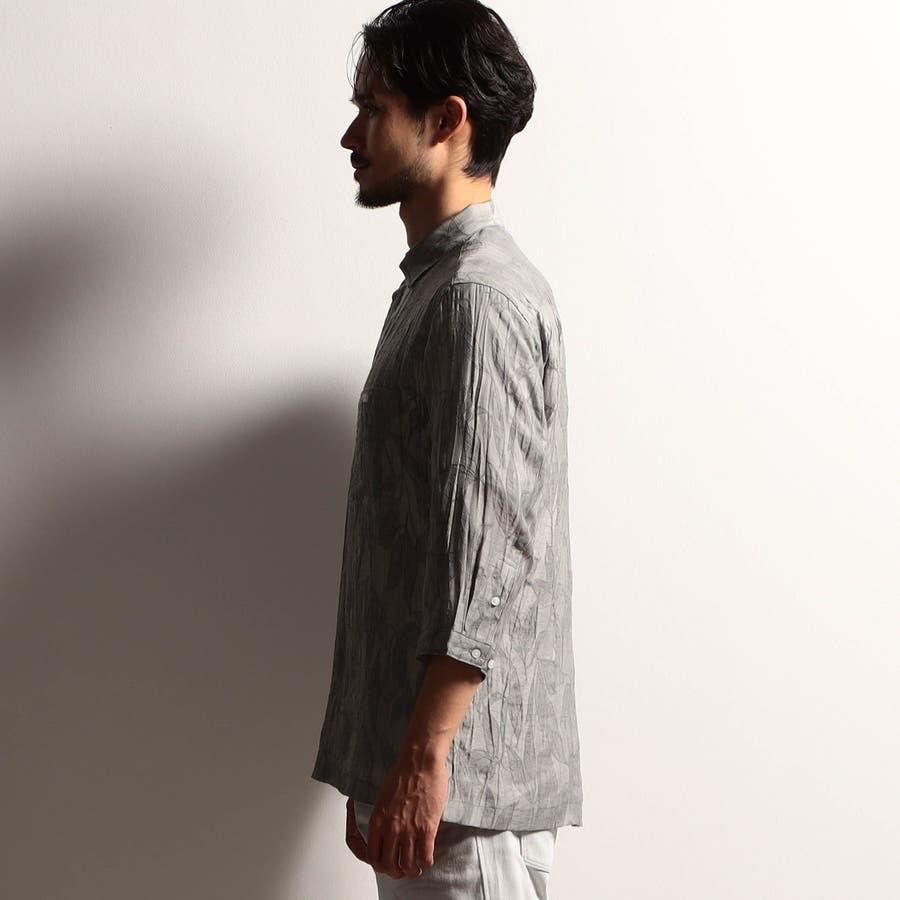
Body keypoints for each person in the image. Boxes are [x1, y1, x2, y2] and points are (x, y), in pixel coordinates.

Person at [311, 1, 582, 896]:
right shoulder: (438, 288)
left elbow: (488, 554)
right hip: (439, 787)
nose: (351, 134)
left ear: (446, 120)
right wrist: (384, 757)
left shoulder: (476, 298)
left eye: (373, 107)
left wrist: (424, 759)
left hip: (463, 796)